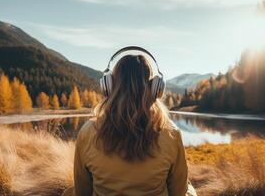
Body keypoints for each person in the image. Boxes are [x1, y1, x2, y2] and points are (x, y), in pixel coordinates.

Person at [71, 47, 197, 196]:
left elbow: (81, 192)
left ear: (108, 86)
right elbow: (179, 192)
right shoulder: (171, 133)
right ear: (156, 89)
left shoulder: (87, 132)